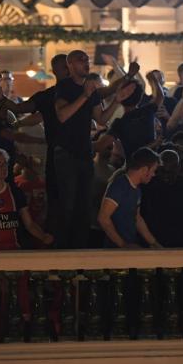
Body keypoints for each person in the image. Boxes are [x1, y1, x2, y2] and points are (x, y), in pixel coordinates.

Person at [53, 49, 130, 248]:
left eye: (87, 60)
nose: (86, 63)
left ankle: (81, 250)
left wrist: (116, 101)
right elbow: (63, 115)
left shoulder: (91, 90)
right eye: (81, 60)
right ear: (70, 65)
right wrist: (84, 96)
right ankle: (63, 250)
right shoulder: (64, 87)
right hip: (66, 153)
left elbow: (101, 119)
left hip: (84, 152)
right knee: (67, 205)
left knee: (84, 206)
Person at [0, 148, 53, 250]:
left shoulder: (16, 192)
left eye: (5, 163)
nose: (4, 167)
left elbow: (29, 224)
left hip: (15, 251)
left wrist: (43, 237)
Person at [97, 147, 162, 248]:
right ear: (144, 169)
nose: (153, 175)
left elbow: (137, 218)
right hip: (115, 251)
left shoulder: (136, 189)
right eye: (153, 170)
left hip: (128, 247)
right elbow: (103, 218)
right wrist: (123, 244)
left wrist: (154, 243)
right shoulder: (120, 186)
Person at [140, 149, 183, 248]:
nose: (167, 174)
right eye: (163, 170)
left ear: (178, 168)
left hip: (182, 240)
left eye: (171, 169)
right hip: (156, 241)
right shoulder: (148, 185)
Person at [103, 73, 164, 159]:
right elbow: (160, 96)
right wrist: (154, 79)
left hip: (132, 167)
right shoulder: (147, 111)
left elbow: (101, 145)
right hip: (152, 163)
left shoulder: (119, 123)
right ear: (140, 96)